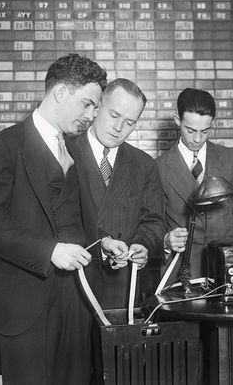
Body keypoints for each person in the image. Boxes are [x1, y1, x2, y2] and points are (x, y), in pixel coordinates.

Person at [0, 54, 124, 384]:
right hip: (23, 306)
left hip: (76, 302)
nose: (91, 115)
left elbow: (75, 221)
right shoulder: (4, 146)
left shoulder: (78, 152)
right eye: (87, 104)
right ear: (59, 93)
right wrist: (50, 251)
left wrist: (103, 241)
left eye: (95, 108)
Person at [68, 78, 165, 310]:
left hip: (121, 288)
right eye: (114, 115)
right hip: (71, 282)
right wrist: (102, 242)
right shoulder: (65, 151)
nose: (119, 127)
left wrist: (143, 247)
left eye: (129, 122)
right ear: (97, 107)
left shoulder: (144, 165)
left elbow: (153, 221)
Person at [156, 88, 233, 285]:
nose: (198, 139)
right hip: (180, 274)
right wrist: (165, 240)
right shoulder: (158, 167)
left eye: (205, 131)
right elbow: (153, 224)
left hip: (226, 270)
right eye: (190, 130)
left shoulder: (230, 159)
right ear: (177, 120)